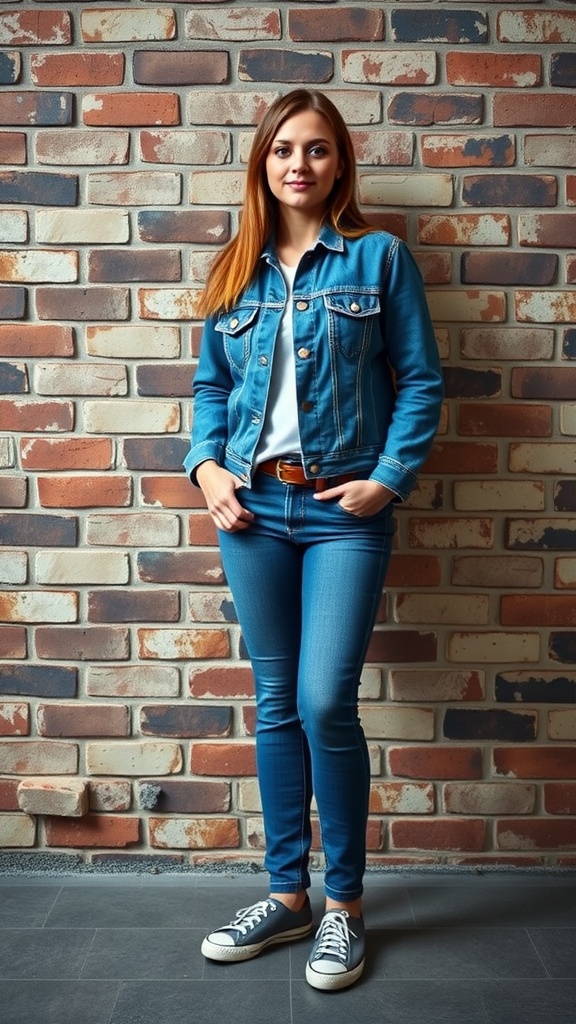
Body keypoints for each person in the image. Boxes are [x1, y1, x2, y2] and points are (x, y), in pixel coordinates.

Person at [184, 88, 444, 991]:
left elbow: (419, 380)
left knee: (326, 699)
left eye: (320, 150)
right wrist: (206, 467)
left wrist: (390, 478)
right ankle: (287, 895)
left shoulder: (378, 261)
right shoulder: (235, 270)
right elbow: (210, 390)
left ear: (341, 164)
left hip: (343, 512)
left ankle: (345, 907)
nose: (300, 163)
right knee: (276, 701)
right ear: (263, 161)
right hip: (250, 511)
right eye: (285, 148)